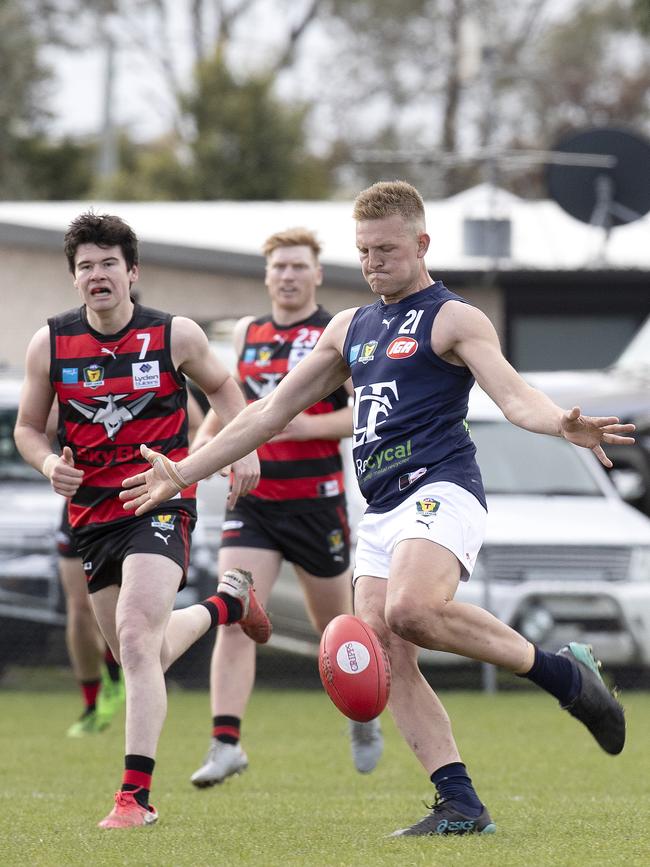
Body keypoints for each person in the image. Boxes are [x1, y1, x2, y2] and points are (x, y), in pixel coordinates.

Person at [120, 181, 634, 838]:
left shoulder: (454, 317)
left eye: (386, 249)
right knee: (386, 652)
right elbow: (269, 412)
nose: (372, 263)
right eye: (363, 251)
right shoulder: (348, 327)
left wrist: (559, 423)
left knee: (411, 610)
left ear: (422, 243)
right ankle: (460, 803)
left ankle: (564, 673)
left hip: (442, 487)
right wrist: (187, 471)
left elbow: (512, 395)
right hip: (382, 509)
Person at [14, 211, 271, 830]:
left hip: (160, 500)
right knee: (141, 655)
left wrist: (247, 450)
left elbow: (227, 390)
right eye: (85, 267)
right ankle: (226, 606)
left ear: (132, 272)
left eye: (108, 264)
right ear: (74, 280)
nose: (97, 276)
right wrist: (50, 463)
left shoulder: (174, 334)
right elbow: (26, 428)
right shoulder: (50, 343)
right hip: (93, 514)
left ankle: (134, 799)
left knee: (134, 638)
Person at [189, 228, 383, 788]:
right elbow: (233, 406)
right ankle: (226, 742)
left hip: (316, 504)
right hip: (252, 504)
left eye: (299, 266)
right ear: (267, 274)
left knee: (338, 631)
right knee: (232, 612)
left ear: (317, 274)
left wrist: (306, 426)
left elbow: (366, 412)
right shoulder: (248, 332)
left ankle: (363, 717)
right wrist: (200, 451)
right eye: (280, 267)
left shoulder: (340, 331)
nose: (289, 275)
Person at [55, 502, 125, 737]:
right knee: (79, 607)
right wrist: (52, 468)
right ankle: (92, 705)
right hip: (81, 501)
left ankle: (117, 675)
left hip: (128, 499)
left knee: (119, 601)